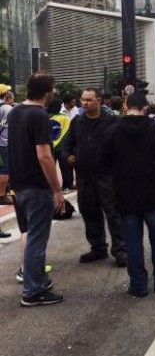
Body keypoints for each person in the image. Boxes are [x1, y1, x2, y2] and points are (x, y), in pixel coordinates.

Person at [105, 92, 155, 296]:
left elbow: (103, 160)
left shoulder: (113, 131)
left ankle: (138, 284)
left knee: (133, 242)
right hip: (152, 192)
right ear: (146, 107)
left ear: (126, 106)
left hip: (125, 194)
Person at [8, 72, 65, 306]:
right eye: (53, 88)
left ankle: (39, 280)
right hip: (36, 185)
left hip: (19, 184)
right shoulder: (39, 115)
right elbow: (44, 156)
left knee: (32, 235)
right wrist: (57, 190)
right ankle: (32, 291)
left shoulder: (16, 112)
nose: (55, 93)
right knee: (36, 240)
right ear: (46, 92)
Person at [62, 88, 127, 267]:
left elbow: (122, 146)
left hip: (107, 176)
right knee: (89, 212)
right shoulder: (77, 121)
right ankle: (98, 248)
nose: (84, 103)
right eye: (83, 100)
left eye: (89, 100)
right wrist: (68, 155)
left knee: (113, 213)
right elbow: (66, 143)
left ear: (98, 101)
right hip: (84, 176)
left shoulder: (112, 121)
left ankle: (121, 250)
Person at [0, 87, 15, 204]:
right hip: (5, 142)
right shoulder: (7, 108)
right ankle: (2, 195)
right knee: (5, 168)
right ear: (5, 95)